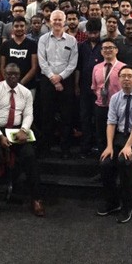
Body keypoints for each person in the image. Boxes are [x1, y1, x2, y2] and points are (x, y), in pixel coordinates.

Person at [0, 63, 44, 220]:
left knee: (30, 156)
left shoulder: (25, 92)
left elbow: (29, 114)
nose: (12, 77)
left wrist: (24, 130)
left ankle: (36, 199)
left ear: (19, 74)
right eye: (9, 74)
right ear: (4, 74)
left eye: (15, 74)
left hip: (17, 130)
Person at [97, 65, 132, 224]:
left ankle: (127, 204)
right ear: (119, 79)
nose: (126, 79)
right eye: (123, 76)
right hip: (122, 134)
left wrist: (128, 146)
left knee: (124, 160)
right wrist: (109, 146)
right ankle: (112, 201)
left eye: (130, 76)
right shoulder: (115, 98)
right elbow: (111, 123)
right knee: (105, 162)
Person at [37, 10, 78, 158]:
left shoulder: (72, 41)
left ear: (65, 21)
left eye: (60, 20)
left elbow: (72, 63)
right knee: (47, 115)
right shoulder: (43, 39)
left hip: (66, 81)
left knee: (67, 116)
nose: (57, 22)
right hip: (47, 81)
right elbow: (42, 61)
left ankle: (65, 148)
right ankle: (47, 147)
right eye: (54, 20)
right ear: (50, 21)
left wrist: (60, 77)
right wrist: (53, 78)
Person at [76, 19, 103, 157]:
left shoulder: (104, 45)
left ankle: (99, 147)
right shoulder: (81, 46)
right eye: (90, 33)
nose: (92, 36)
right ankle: (85, 147)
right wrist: (76, 85)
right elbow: (78, 68)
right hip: (84, 86)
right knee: (85, 117)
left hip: (100, 89)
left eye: (95, 33)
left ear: (99, 32)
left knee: (98, 118)